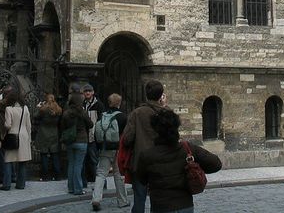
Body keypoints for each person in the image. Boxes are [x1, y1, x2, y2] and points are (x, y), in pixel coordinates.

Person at [136, 108, 222, 213]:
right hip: (184, 205)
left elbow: (141, 179)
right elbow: (216, 164)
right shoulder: (187, 148)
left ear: (156, 130)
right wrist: (196, 167)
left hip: (161, 206)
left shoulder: (147, 155)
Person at [122, 80, 169, 213]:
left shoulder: (137, 113)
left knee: (139, 198)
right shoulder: (167, 113)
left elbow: (127, 139)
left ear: (146, 94)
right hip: (162, 161)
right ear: (161, 95)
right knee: (160, 198)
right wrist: (164, 106)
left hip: (140, 161)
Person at [92, 93, 129, 211]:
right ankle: (122, 201)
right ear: (119, 103)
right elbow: (126, 135)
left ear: (108, 102)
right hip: (118, 149)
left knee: (101, 174)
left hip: (105, 148)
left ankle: (96, 199)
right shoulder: (123, 117)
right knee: (118, 175)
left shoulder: (102, 116)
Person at [62, 92, 93, 196]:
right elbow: (90, 124)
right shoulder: (82, 112)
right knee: (78, 166)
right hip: (81, 140)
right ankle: (78, 189)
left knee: (71, 164)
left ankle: (70, 187)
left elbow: (63, 126)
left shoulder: (66, 113)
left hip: (70, 141)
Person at [1, 90, 32, 190]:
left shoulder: (9, 109)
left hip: (11, 136)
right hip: (24, 136)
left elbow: (8, 125)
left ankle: (6, 184)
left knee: (8, 161)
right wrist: (29, 139)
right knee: (22, 162)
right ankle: (21, 184)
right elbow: (29, 126)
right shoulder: (25, 108)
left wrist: (4, 127)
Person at [35, 93, 63, 180]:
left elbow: (35, 116)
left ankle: (45, 176)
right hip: (54, 133)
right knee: (55, 155)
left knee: (44, 155)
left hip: (44, 134)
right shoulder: (58, 110)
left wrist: (38, 107)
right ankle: (57, 175)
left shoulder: (43, 110)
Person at [82, 83, 105, 186]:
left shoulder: (98, 104)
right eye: (86, 91)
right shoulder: (82, 104)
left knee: (94, 159)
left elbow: (101, 120)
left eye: (89, 91)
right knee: (86, 160)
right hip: (84, 136)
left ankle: (100, 182)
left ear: (93, 92)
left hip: (93, 136)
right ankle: (89, 179)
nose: (87, 93)